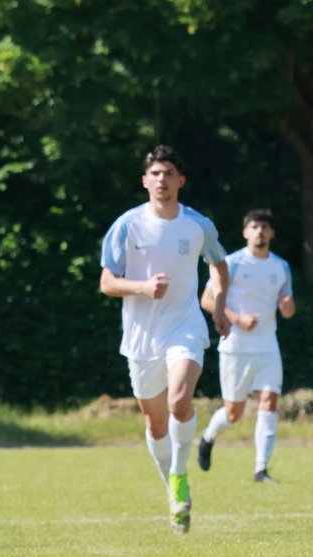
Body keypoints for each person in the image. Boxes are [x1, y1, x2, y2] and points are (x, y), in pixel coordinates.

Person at [99, 144, 230, 536]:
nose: (162, 180)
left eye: (169, 173)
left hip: (185, 327)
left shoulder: (197, 225)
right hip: (140, 339)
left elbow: (220, 267)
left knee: (178, 401)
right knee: (156, 426)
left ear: (180, 180)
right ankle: (172, 490)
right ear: (145, 181)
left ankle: (179, 475)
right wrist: (142, 287)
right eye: (155, 174)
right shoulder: (127, 225)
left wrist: (219, 307)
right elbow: (106, 282)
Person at [197, 208, 297, 483]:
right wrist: (236, 318)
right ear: (245, 232)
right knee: (234, 413)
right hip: (236, 348)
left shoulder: (281, 266)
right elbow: (207, 300)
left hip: (267, 347)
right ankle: (207, 438)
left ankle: (260, 469)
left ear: (272, 233)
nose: (260, 231)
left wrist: (287, 308)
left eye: (265, 227)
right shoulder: (231, 263)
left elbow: (287, 309)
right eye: (254, 226)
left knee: (269, 401)